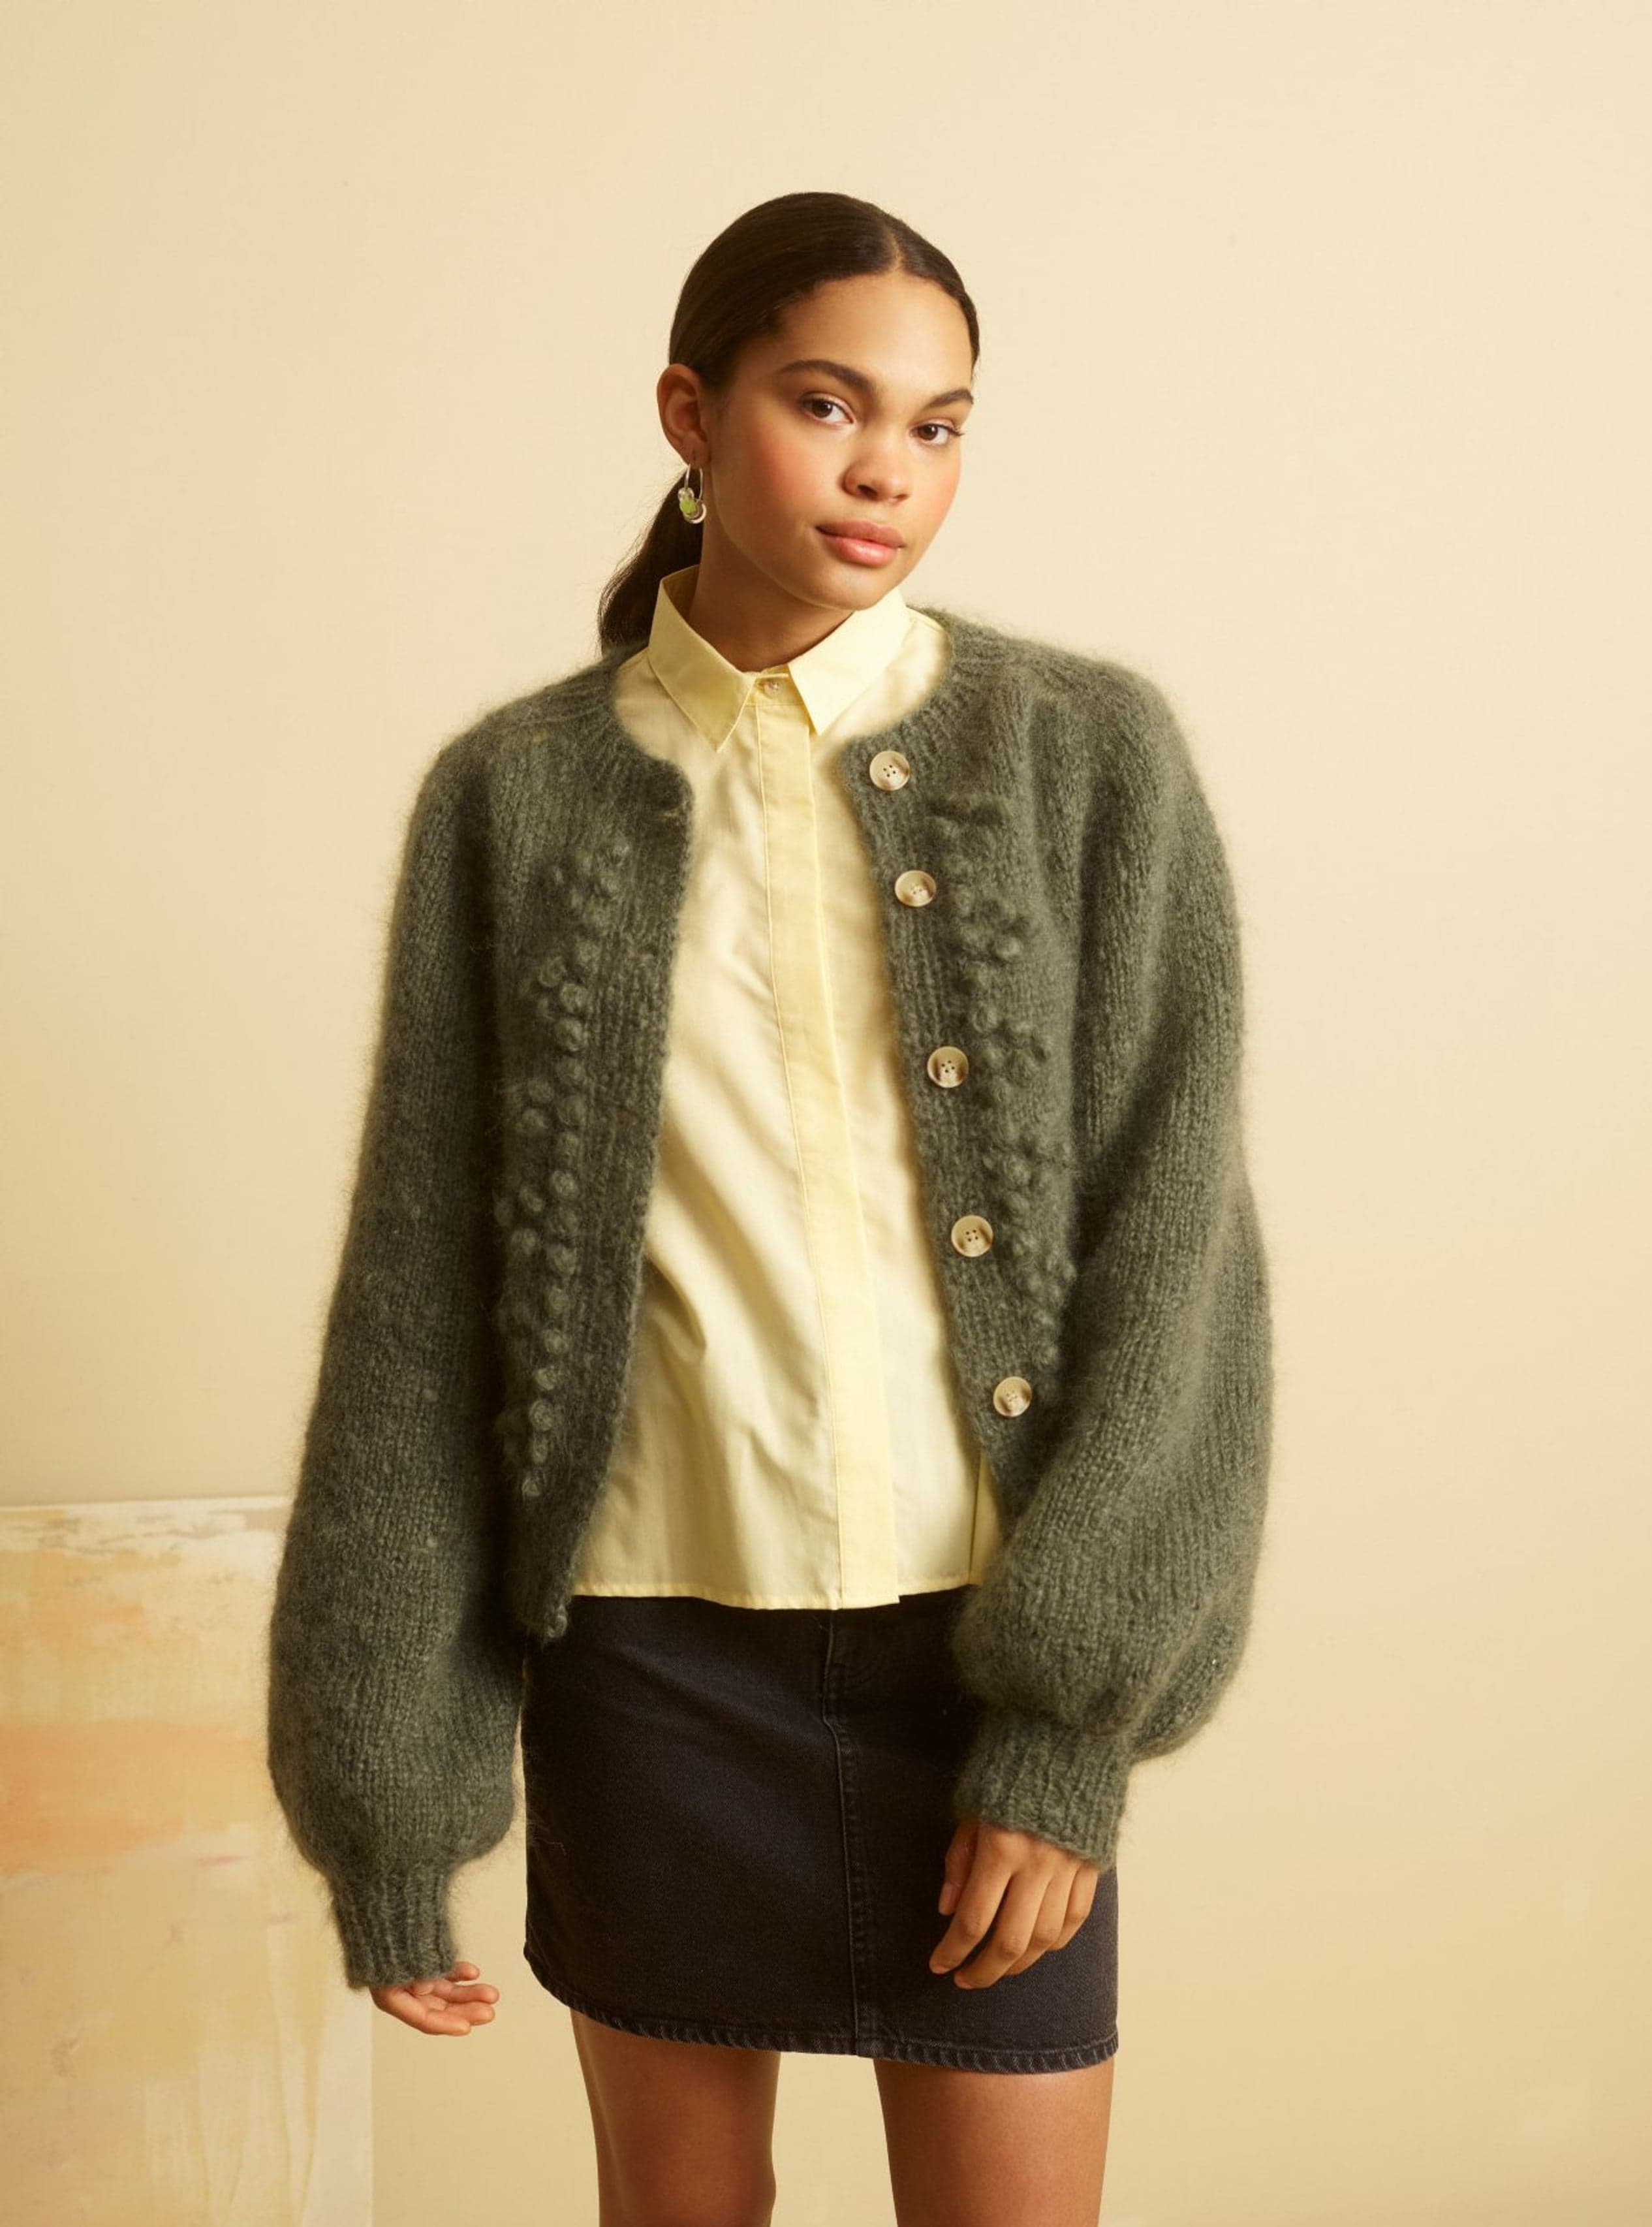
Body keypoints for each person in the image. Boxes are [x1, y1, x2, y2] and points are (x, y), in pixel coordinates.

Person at [266, 189, 1275, 2226]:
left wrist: (1068, 1732)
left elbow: (1178, 1265)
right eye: (828, 404)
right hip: (648, 1668)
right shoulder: (516, 795)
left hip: (983, 1660)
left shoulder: (1089, 756)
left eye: (938, 424)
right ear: (690, 413)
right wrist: (389, 1798)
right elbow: (420, 1309)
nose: (889, 467)